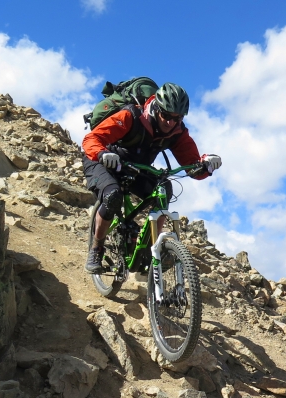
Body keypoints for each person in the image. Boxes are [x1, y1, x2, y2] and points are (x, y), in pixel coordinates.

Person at [81, 82, 221, 272]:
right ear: (157, 108)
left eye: (177, 117)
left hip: (136, 168)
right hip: (102, 160)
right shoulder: (131, 116)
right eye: (167, 116)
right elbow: (92, 139)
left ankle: (150, 249)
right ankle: (96, 248)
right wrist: (102, 154)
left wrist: (206, 165)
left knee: (164, 189)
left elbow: (192, 164)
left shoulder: (177, 132)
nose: (171, 122)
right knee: (113, 196)